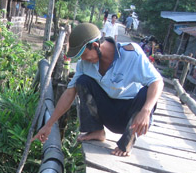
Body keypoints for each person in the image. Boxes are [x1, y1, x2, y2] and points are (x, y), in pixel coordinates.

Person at [32, 23, 164, 157]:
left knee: (146, 92)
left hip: (131, 117)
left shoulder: (131, 54)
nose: (82, 59)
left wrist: (146, 110)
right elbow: (69, 93)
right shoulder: (85, 65)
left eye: (84, 54)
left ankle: (126, 143)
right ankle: (96, 130)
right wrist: (49, 124)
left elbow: (157, 81)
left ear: (95, 46)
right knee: (82, 81)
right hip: (109, 112)